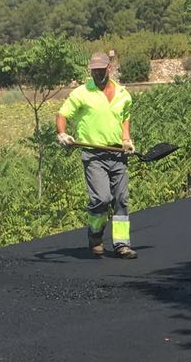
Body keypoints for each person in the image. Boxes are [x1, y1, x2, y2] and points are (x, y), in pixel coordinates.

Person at [55, 50, 137, 258]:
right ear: (89, 71)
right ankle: (95, 232)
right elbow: (63, 114)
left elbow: (124, 117)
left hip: (118, 154)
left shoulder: (122, 93)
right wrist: (62, 133)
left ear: (109, 68)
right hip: (94, 155)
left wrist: (126, 139)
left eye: (101, 70)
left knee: (121, 199)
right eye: (94, 71)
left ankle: (121, 244)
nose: (97, 74)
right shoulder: (82, 93)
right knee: (101, 198)